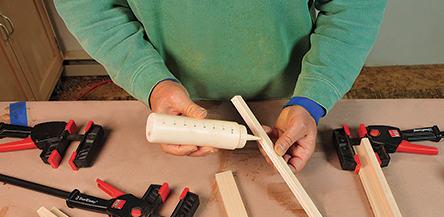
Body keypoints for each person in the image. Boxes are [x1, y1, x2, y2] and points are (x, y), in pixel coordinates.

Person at [54, 0, 387, 173]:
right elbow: (88, 6)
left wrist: (312, 99)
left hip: (293, 99)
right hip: (174, 101)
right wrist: (149, 79)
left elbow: (354, 8)